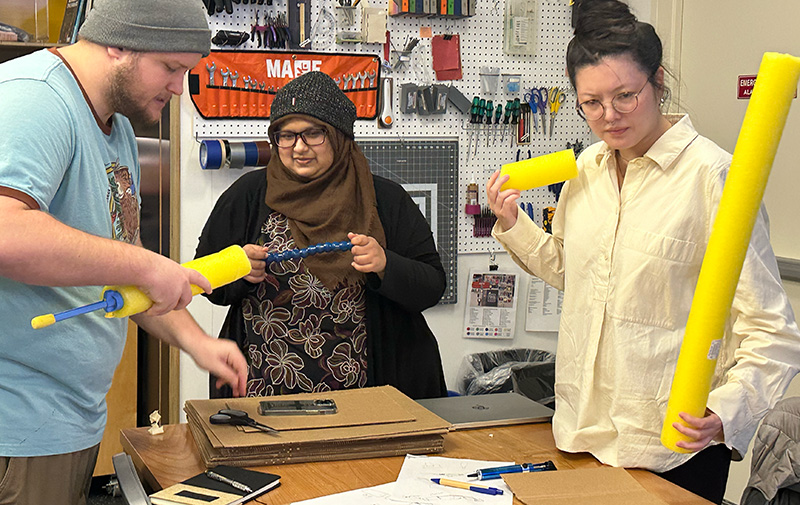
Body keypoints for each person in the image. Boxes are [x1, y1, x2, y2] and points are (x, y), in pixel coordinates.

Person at [486, 1, 800, 503]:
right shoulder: (585, 168)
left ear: (657, 81)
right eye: (591, 102)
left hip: (668, 451)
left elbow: (772, 331)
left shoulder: (715, 179)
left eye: (625, 96)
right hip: (578, 433)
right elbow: (577, 272)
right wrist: (512, 223)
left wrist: (727, 411)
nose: (608, 117)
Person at [0, 0, 248, 503]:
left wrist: (196, 343)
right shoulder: (37, 99)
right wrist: (143, 263)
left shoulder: (119, 130)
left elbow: (119, 256)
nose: (179, 88)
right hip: (19, 419)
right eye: (172, 68)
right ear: (118, 44)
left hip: (69, 416)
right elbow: (6, 232)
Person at [196, 71, 448, 401]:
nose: (298, 148)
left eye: (314, 134)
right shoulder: (249, 195)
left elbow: (432, 285)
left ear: (339, 136)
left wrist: (386, 265)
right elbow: (201, 277)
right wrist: (237, 271)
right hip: (265, 393)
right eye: (286, 136)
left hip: (371, 397)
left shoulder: (385, 200)